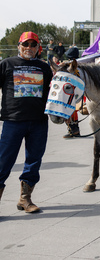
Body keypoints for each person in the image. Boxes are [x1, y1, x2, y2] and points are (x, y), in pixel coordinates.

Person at [0, 31, 53, 213]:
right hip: (13, 121)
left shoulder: (44, 67)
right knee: (3, 161)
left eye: (33, 45)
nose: (29, 48)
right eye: (26, 44)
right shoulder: (7, 64)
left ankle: (25, 199)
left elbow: (53, 93)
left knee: (33, 161)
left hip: (38, 122)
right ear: (19, 46)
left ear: (38, 48)